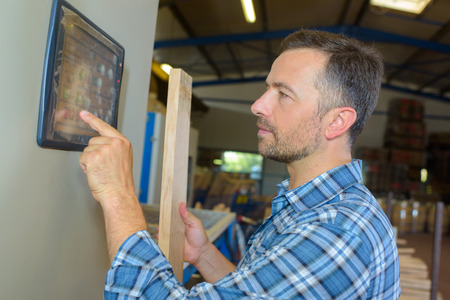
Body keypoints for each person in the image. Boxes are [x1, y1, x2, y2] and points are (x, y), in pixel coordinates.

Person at [79, 29, 401, 299]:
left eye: (283, 94)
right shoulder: (312, 206)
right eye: (267, 88)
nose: (257, 105)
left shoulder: (336, 234)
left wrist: (118, 195)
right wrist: (204, 254)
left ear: (337, 122)